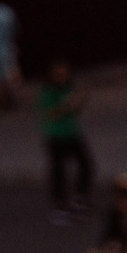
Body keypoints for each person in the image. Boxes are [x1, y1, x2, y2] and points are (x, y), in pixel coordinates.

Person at [37, 59, 95, 220]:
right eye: (58, 74)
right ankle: (59, 206)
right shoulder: (48, 92)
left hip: (73, 133)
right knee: (59, 172)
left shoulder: (68, 88)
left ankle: (80, 198)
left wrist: (81, 100)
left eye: (65, 73)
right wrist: (68, 105)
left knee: (86, 165)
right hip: (56, 136)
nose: (62, 76)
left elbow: (74, 110)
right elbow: (50, 115)